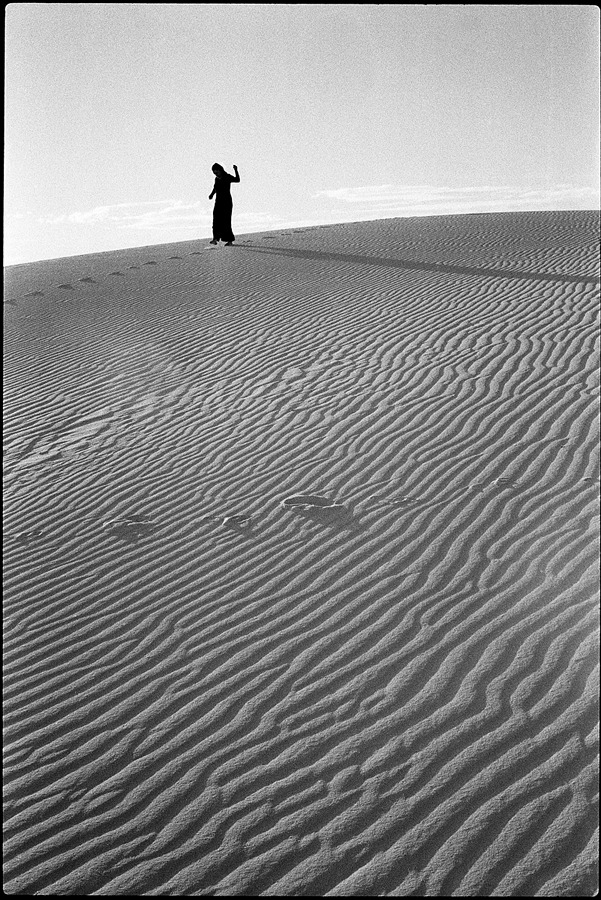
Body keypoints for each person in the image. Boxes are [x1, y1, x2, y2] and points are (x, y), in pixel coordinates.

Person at [209, 163, 240, 245]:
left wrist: (236, 170)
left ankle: (229, 241)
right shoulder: (216, 179)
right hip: (218, 202)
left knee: (226, 221)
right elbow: (215, 187)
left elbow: (237, 180)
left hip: (227, 202)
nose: (216, 174)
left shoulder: (227, 177)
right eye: (214, 173)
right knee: (216, 220)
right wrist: (212, 194)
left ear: (220, 170)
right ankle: (215, 239)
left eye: (217, 172)